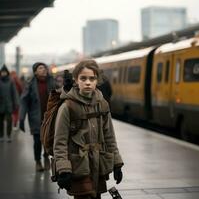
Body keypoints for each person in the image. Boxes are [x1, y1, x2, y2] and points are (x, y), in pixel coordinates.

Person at [53, 59, 123, 199]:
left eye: (92, 78)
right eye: (83, 78)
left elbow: (110, 137)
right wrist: (63, 169)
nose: (88, 82)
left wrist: (117, 163)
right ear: (76, 80)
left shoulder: (102, 104)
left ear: (97, 80)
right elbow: (60, 142)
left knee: (96, 196)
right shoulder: (67, 107)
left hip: (98, 164)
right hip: (78, 165)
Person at [19, 62, 55, 172]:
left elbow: (60, 95)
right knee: (37, 141)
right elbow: (24, 101)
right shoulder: (30, 84)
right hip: (36, 117)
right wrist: (21, 118)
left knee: (48, 140)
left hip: (49, 117)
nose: (43, 69)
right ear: (35, 71)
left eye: (44, 67)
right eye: (40, 68)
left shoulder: (51, 82)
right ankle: (38, 161)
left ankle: (46, 157)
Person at [0, 65, 19, 142]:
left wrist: (16, 103)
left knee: (9, 121)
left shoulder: (11, 82)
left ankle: (8, 135)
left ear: (7, 73)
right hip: (0, 105)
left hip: (9, 105)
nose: (3, 73)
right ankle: (1, 136)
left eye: (4, 72)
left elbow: (14, 93)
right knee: (0, 122)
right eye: (2, 72)